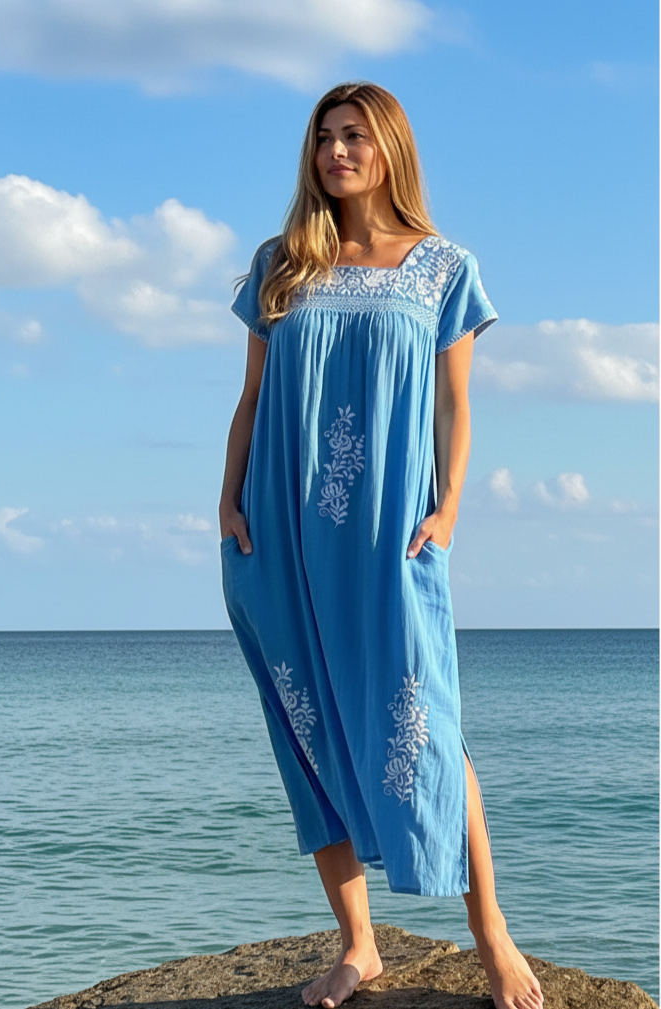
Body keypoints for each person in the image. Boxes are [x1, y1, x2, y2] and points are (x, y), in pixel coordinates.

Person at [218, 81, 543, 1009]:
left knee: (426, 716)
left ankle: (493, 936)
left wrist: (448, 511)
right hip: (276, 528)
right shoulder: (281, 264)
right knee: (306, 726)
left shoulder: (442, 268)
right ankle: (358, 944)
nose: (336, 151)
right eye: (324, 136)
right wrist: (228, 501)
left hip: (390, 533)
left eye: (355, 134)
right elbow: (252, 397)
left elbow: (455, 404)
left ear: (390, 146)